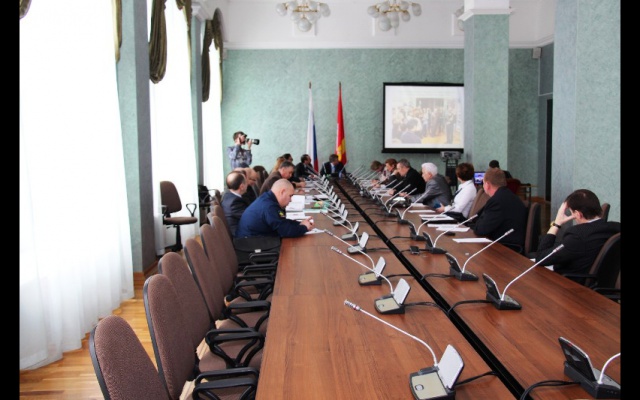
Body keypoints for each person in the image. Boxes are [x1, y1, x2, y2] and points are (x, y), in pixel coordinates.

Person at [535, 189, 620, 276]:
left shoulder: (577, 236)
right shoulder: (616, 227)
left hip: (569, 281)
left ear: (578, 214)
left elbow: (541, 258)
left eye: (571, 212)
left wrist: (557, 224)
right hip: (600, 280)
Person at [470, 167, 527, 252]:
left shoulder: (497, 201)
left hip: (505, 248)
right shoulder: (508, 196)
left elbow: (481, 230)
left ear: (487, 184)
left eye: (483, 183)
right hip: (509, 242)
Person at [235, 179, 314, 238]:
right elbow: (284, 231)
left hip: (253, 240)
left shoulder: (268, 199)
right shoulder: (269, 206)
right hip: (252, 245)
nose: (291, 200)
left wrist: (299, 223)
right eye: (290, 196)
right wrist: (304, 228)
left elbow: (282, 222)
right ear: (282, 192)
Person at [221, 171, 250, 236]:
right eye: (246, 182)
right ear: (241, 187)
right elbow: (250, 218)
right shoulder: (235, 202)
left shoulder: (227, 195)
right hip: (242, 236)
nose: (247, 184)